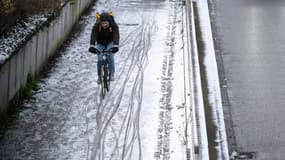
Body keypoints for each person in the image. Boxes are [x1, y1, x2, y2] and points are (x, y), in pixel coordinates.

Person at [89, 12, 120, 83]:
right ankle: (99, 76)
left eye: (106, 23)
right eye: (102, 23)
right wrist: (92, 46)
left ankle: (112, 73)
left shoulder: (113, 25)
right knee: (100, 59)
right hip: (100, 43)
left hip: (110, 42)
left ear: (109, 22)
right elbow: (93, 35)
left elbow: (116, 35)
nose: (104, 25)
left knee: (110, 55)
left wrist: (115, 46)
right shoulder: (97, 26)